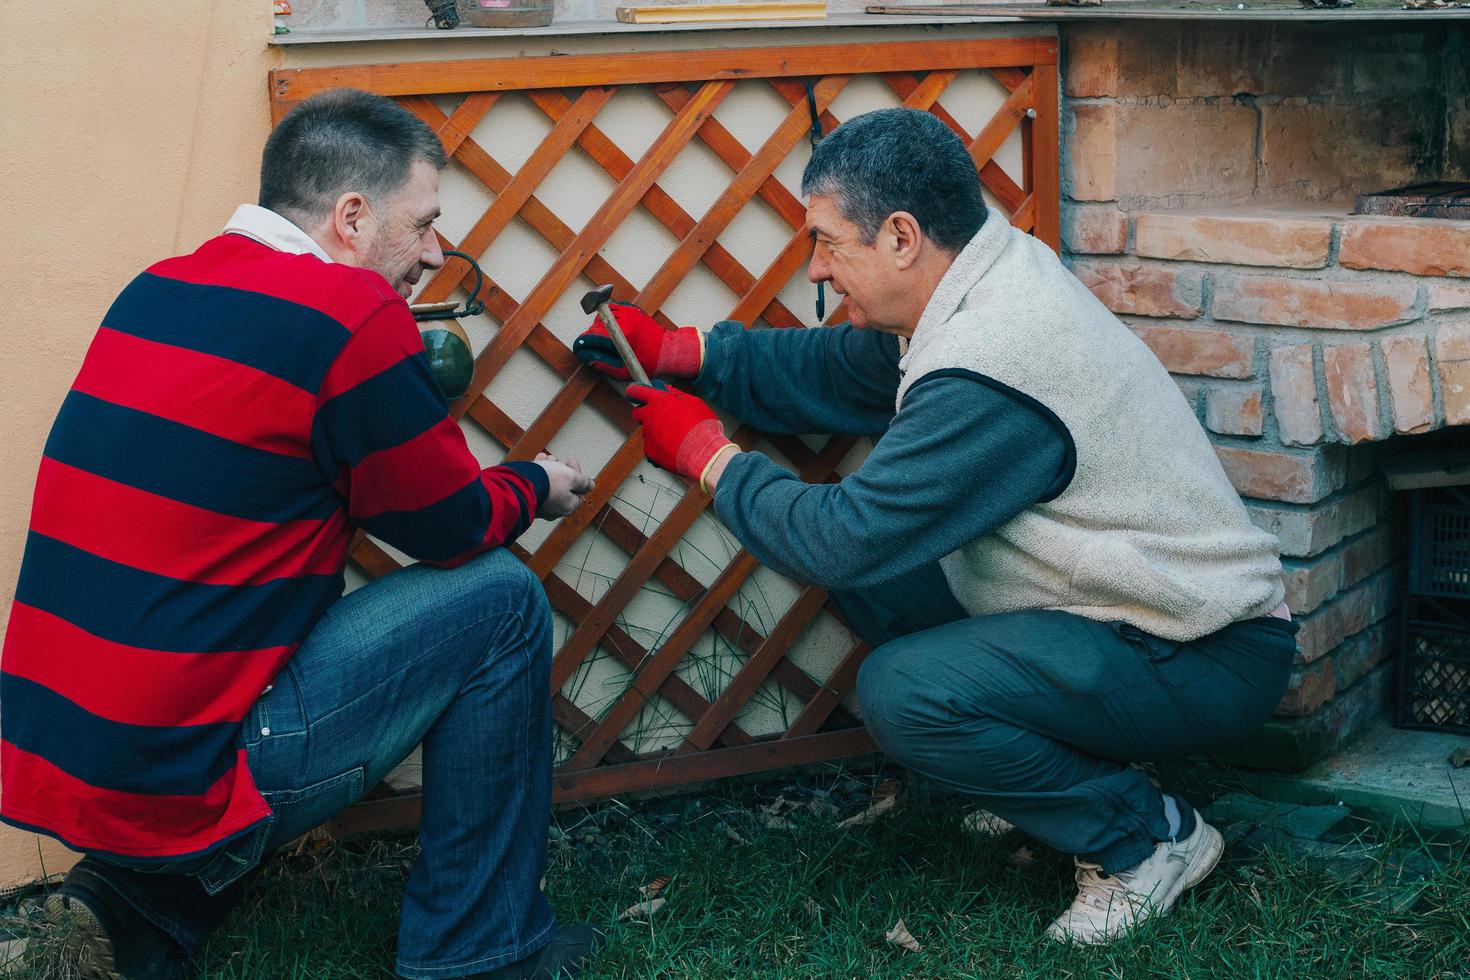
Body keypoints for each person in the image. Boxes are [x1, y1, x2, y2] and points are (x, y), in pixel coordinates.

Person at [574, 107, 1298, 945]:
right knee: (882, 576)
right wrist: (689, 354)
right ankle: (1061, 783)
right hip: (1121, 608)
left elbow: (838, 536)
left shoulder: (997, 357)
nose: (816, 266)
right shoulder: (980, 276)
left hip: (1199, 645)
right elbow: (853, 370)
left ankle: (1146, 839)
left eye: (827, 242)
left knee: (902, 689)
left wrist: (708, 456)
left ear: (902, 238)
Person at [1, 88, 605, 980]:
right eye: (424, 224)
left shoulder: (157, 286)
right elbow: (450, 529)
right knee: (502, 601)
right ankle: (482, 950)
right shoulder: (346, 316)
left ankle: (120, 905)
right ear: (351, 217)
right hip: (191, 766)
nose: (435, 254)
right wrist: (537, 482)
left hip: (69, 748)